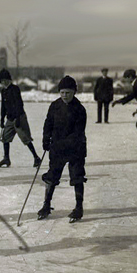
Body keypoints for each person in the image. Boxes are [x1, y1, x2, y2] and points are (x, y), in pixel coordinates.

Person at [37, 76, 87, 223]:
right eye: (62, 92)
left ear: (74, 92)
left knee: (77, 177)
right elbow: (48, 123)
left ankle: (79, 207)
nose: (65, 95)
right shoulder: (54, 106)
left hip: (75, 149)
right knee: (52, 176)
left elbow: (78, 133)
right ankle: (46, 204)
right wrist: (46, 138)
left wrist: (60, 144)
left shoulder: (80, 109)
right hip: (57, 149)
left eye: (68, 93)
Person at [0, 69, 41, 168]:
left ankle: (36, 158)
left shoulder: (15, 89)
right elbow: (3, 106)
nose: (4, 82)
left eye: (6, 80)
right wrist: (2, 119)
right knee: (5, 137)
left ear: (10, 80)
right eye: (2, 80)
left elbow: (19, 103)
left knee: (25, 138)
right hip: (10, 118)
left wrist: (18, 118)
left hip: (19, 117)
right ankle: (6, 159)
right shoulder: (3, 91)